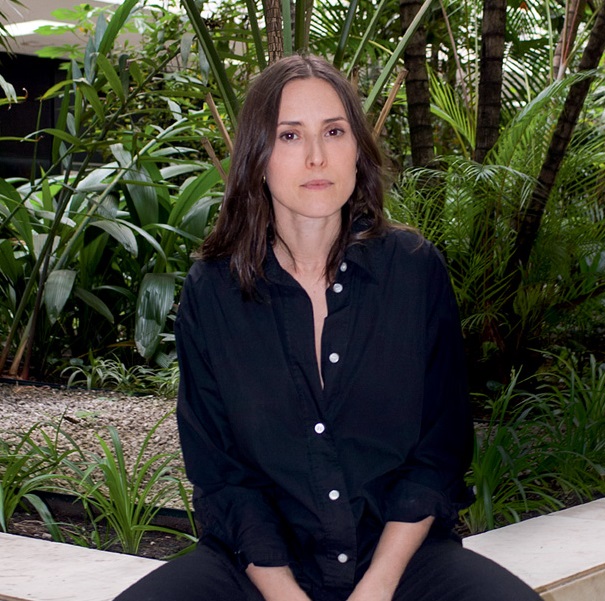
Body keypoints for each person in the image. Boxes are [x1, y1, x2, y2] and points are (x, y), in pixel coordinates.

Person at [115, 54, 541, 601]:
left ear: (357, 150)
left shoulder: (413, 272)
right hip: (260, 568)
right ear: (258, 157)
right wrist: (284, 593)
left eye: (334, 131)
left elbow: (438, 453)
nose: (316, 156)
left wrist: (378, 586)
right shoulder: (212, 293)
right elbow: (222, 475)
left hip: (399, 559)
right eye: (290, 135)